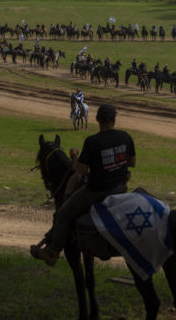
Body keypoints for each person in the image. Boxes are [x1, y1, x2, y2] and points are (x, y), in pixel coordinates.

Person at [33, 104, 136, 267]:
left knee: (62, 214)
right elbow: (132, 163)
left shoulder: (92, 141)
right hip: (120, 188)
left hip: (96, 192)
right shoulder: (126, 137)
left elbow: (79, 171)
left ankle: (52, 252)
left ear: (97, 120)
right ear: (114, 120)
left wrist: (74, 155)